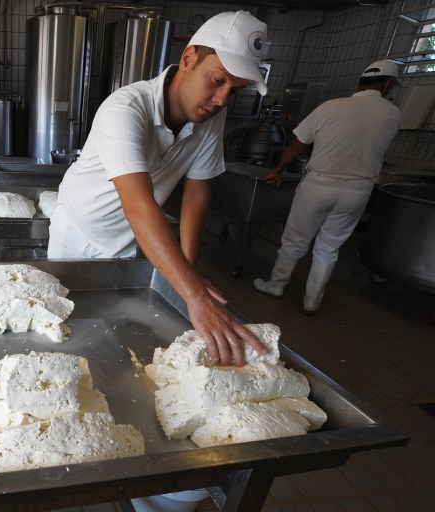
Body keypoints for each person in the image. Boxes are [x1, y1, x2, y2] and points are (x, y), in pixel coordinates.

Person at [48, 11, 270, 366]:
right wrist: (194, 294)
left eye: (234, 90)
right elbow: (140, 206)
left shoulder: (211, 116)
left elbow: (198, 192)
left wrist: (187, 275)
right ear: (188, 58)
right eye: (217, 80)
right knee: (65, 338)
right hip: (79, 233)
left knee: (108, 339)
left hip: (133, 241)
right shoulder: (126, 109)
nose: (221, 100)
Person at [253, 59, 401, 315]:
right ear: (387, 84)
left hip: (319, 184)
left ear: (359, 82)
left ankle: (276, 285)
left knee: (295, 241)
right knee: (329, 247)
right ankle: (312, 301)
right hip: (357, 190)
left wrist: (278, 171)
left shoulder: (330, 107)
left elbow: (296, 147)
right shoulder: (392, 113)